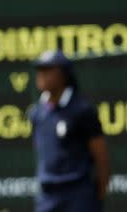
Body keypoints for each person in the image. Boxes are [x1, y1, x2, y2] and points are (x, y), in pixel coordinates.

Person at [29, 50, 110, 212]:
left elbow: (102, 160)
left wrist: (94, 197)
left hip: (79, 195)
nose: (41, 75)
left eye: (48, 70)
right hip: (48, 196)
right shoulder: (36, 113)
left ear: (63, 75)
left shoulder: (83, 111)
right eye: (40, 70)